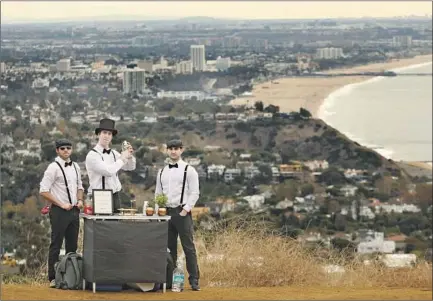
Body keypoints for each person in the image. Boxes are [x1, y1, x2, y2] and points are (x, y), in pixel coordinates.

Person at [155, 138, 201, 291]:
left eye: (176, 148)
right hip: (166, 213)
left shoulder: (189, 170)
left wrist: (185, 209)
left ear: (182, 150)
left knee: (189, 248)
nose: (173, 151)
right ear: (167, 150)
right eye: (171, 148)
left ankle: (194, 280)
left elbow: (195, 192)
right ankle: (170, 281)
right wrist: (158, 211)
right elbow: (158, 193)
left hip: (182, 212)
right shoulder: (161, 171)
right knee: (169, 249)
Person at [39, 139, 84, 288]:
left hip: (74, 211)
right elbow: (43, 190)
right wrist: (60, 204)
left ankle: (70, 277)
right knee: (56, 244)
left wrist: (80, 200)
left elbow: (80, 186)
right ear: (57, 150)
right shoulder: (53, 167)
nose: (66, 150)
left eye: (68, 148)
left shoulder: (76, 166)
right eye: (62, 148)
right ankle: (52, 278)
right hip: (59, 211)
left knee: (72, 246)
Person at [85, 118, 136, 213]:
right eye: (104, 132)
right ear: (99, 134)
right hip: (99, 195)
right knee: (101, 225)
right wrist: (122, 158)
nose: (107, 136)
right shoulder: (92, 155)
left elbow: (130, 167)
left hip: (115, 195)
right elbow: (108, 171)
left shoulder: (114, 153)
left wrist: (130, 155)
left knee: (115, 225)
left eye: (109, 134)